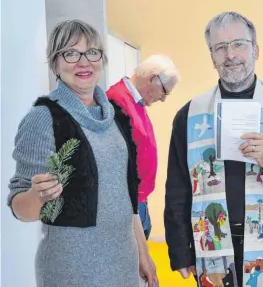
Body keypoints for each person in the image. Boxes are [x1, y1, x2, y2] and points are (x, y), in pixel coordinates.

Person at [164, 11, 263, 287]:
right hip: (213, 242)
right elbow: (178, 185)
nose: (230, 54)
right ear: (212, 57)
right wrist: (180, 249)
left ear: (255, 49)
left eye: (238, 44)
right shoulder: (189, 115)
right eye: (220, 48)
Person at [7, 20, 159, 287]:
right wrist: (37, 195)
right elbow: (20, 208)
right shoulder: (44, 117)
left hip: (123, 268)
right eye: (70, 53)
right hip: (72, 274)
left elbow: (127, 196)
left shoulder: (116, 116)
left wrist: (143, 253)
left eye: (92, 52)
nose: (83, 62)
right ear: (55, 64)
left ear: (102, 59)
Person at [107, 54, 180, 239]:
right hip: (128, 203)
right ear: (152, 78)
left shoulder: (135, 102)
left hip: (139, 200)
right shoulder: (117, 100)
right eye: (165, 92)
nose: (163, 99)